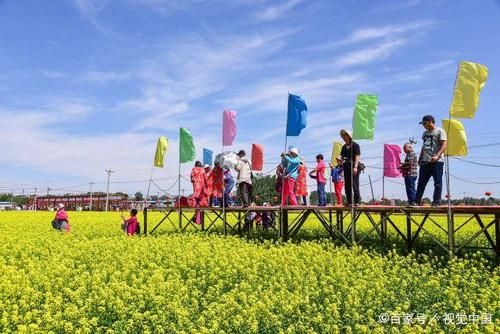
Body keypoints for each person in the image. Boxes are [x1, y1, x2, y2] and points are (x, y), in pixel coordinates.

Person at [415, 115, 447, 207]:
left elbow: (444, 144)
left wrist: (437, 155)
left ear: (430, 121)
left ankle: (436, 202)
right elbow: (424, 146)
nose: (423, 125)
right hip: (425, 161)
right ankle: (416, 201)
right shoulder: (424, 133)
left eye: (424, 123)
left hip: (437, 161)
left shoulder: (440, 131)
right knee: (421, 182)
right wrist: (420, 157)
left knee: (437, 182)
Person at [340, 129, 361, 206]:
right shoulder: (343, 147)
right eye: (343, 137)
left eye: (346, 136)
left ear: (349, 137)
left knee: (355, 184)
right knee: (347, 185)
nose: (344, 138)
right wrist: (340, 161)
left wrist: (355, 167)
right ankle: (349, 201)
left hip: (353, 167)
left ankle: (357, 201)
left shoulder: (355, 145)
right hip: (346, 167)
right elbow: (342, 157)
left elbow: (357, 156)